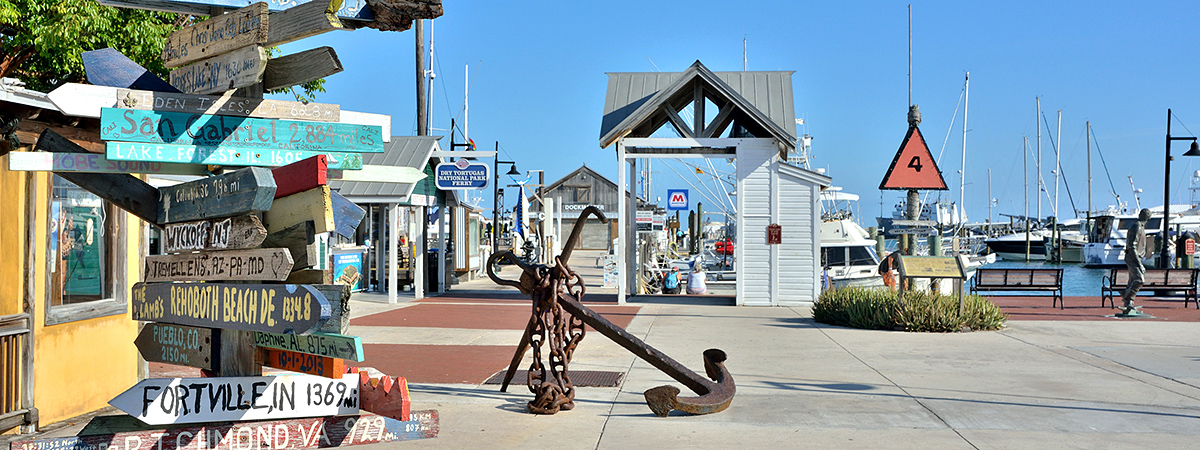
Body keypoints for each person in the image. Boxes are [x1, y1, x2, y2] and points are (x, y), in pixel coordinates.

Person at [1121, 208, 1152, 313]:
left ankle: (1129, 302)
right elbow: (1132, 246)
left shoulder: (1140, 226)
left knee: (1132, 281)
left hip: (1135, 257)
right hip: (1132, 257)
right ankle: (1126, 295)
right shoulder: (1137, 226)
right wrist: (1139, 264)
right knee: (1139, 280)